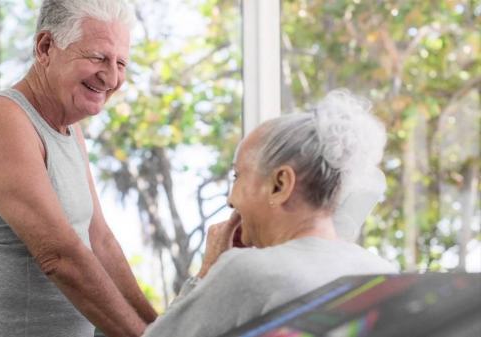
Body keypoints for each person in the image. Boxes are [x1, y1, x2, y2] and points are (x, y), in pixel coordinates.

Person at [0, 1, 157, 336]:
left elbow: (100, 240)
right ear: (45, 47)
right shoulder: (1, 121)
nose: (112, 76)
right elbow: (60, 257)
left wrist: (161, 327)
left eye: (121, 63)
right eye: (98, 57)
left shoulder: (70, 129)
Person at [142, 89, 398, 337]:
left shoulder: (249, 272)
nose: (231, 200)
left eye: (237, 176)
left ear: (280, 185)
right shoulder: (382, 273)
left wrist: (208, 270)